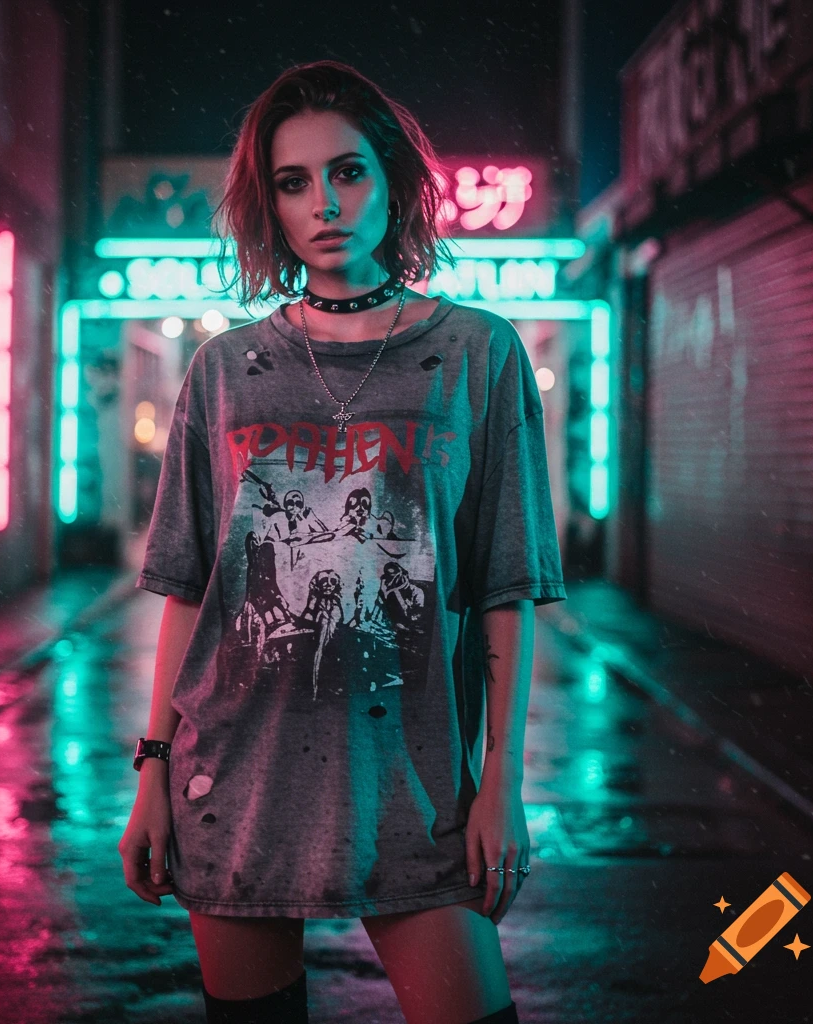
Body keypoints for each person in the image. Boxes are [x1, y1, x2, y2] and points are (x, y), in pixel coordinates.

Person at [118, 60, 567, 1024]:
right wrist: (152, 772)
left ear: (394, 180)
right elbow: (189, 593)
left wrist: (502, 789)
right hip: (228, 776)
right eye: (294, 182)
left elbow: (505, 587)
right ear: (268, 205)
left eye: (349, 171)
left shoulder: (476, 356)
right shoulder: (225, 370)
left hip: (418, 786)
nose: (325, 203)